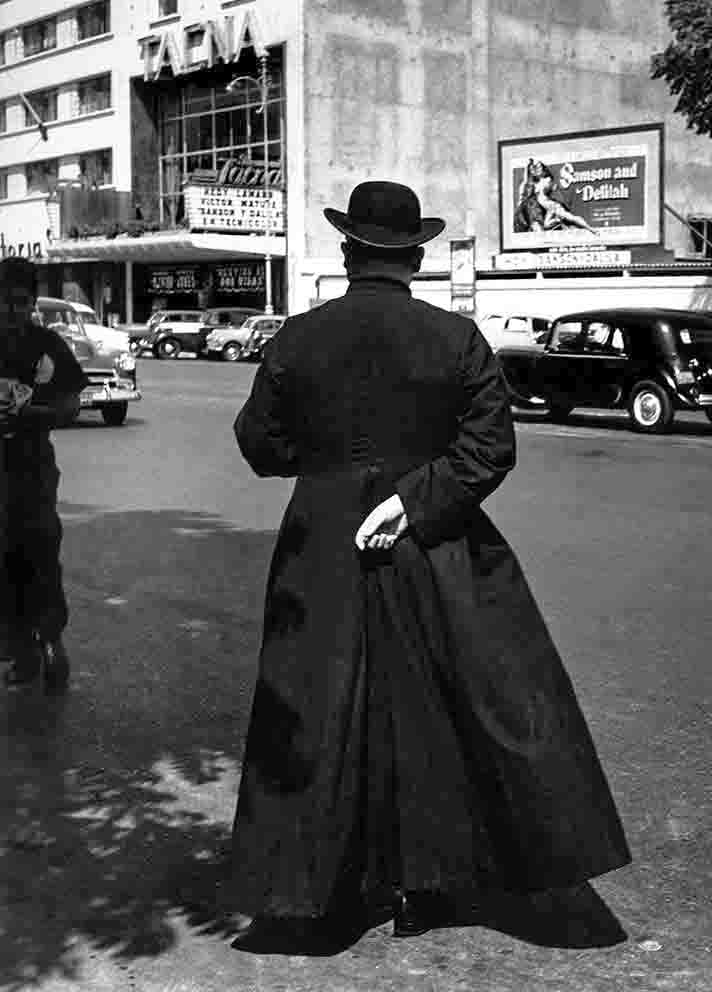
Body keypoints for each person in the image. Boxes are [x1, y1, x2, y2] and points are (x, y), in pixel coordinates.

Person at [228, 181, 630, 952]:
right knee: (443, 704)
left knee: (316, 707)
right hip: (435, 543)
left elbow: (258, 446)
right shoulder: (456, 339)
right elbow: (489, 448)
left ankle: (315, 893)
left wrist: (326, 470)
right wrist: (415, 499)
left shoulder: (297, 339)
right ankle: (431, 883)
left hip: (324, 547)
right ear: (415, 257)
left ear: (348, 253)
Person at [0, 257, 87, 691]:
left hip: (32, 473)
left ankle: (52, 642)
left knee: (40, 557)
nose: (8, 311)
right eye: (1, 301)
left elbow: (70, 406)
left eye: (18, 302)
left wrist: (32, 412)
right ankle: (20, 650)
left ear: (31, 304)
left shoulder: (47, 344)